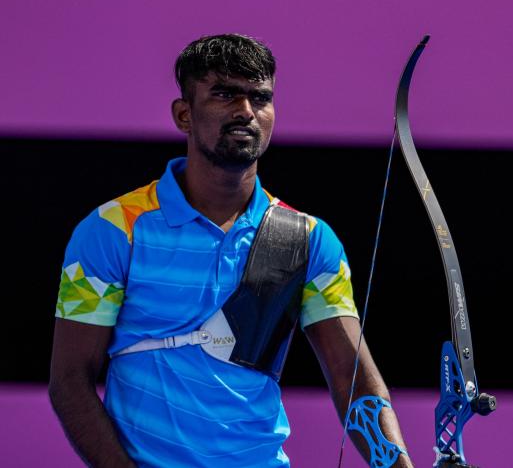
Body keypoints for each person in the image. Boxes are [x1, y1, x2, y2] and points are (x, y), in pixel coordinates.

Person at [49, 34, 413, 467]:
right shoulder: (113, 230)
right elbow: (69, 381)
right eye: (224, 94)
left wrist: (398, 466)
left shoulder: (310, 239)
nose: (245, 112)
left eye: (260, 98)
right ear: (184, 114)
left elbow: (353, 381)